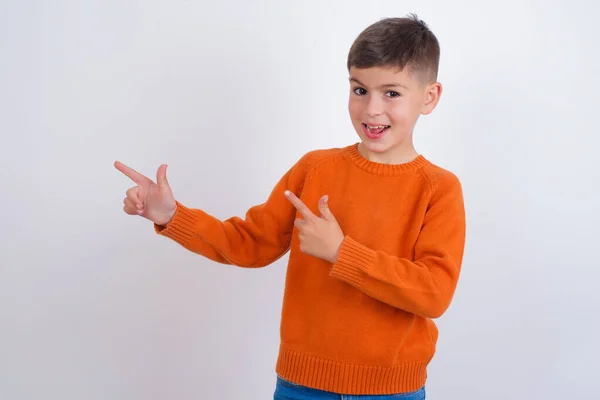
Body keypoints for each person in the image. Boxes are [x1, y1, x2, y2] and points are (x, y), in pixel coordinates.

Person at [115, 14, 466, 400]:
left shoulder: (439, 188)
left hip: (393, 392)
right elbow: (250, 243)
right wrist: (172, 216)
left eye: (392, 93)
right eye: (359, 89)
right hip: (301, 387)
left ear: (429, 97)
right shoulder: (314, 169)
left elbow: (434, 293)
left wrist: (340, 252)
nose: (371, 110)